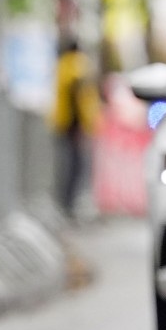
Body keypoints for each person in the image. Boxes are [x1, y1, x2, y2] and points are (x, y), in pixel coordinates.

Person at [49, 39, 101, 219]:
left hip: (63, 122)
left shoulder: (62, 65)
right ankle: (68, 203)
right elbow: (77, 97)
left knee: (69, 164)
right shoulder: (77, 65)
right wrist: (80, 125)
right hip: (73, 126)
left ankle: (66, 202)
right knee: (75, 165)